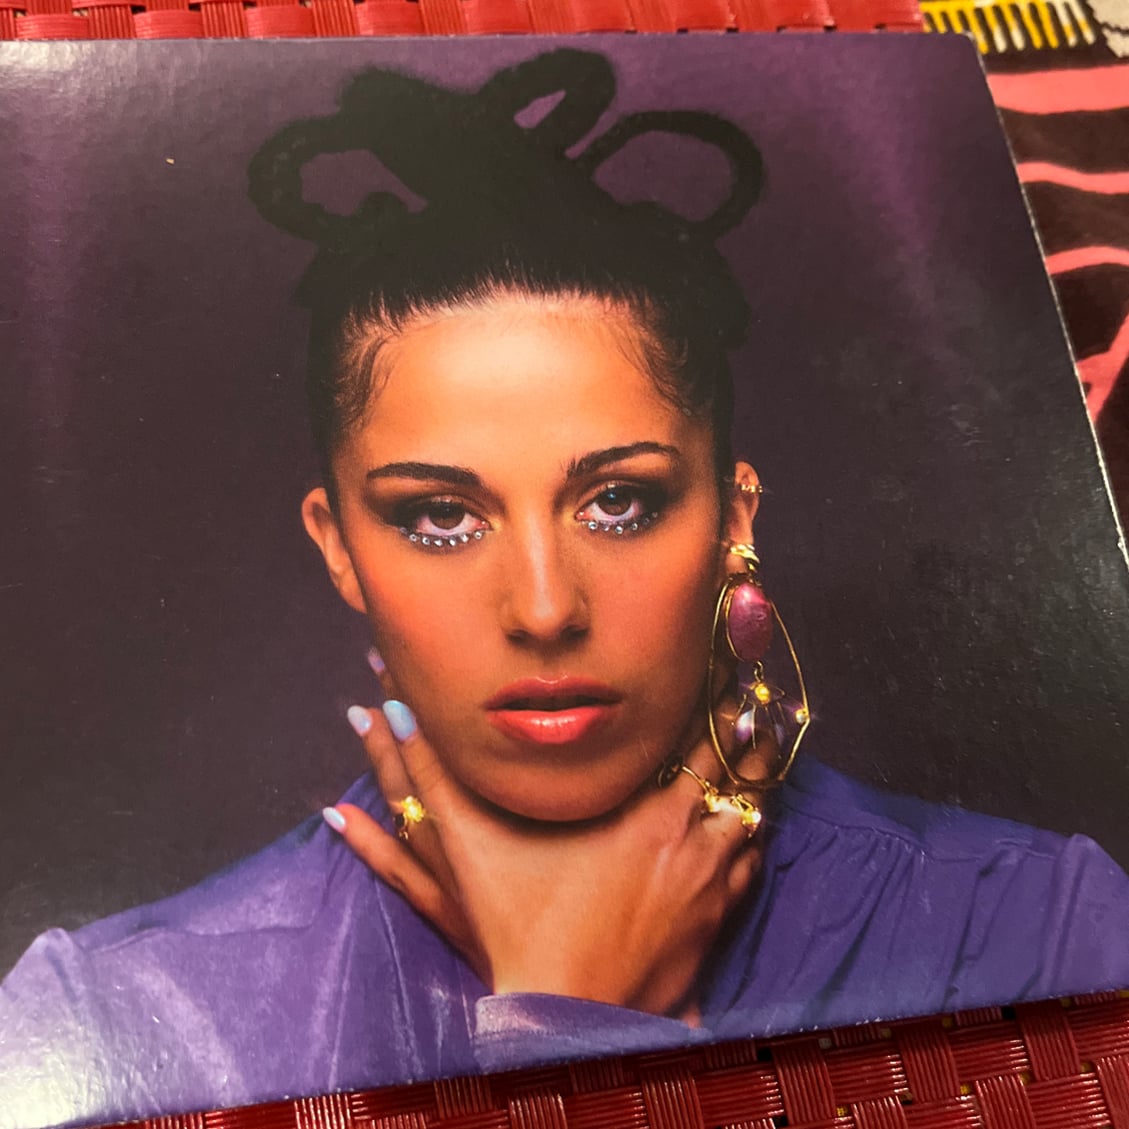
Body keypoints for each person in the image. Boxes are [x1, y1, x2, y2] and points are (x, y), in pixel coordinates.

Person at [3, 49, 1129, 1129]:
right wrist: (572, 1015)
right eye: (439, 516)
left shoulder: (1039, 924)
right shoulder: (105, 1016)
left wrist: (567, 1023)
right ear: (338, 545)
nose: (544, 610)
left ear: (733, 518)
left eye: (618, 502)